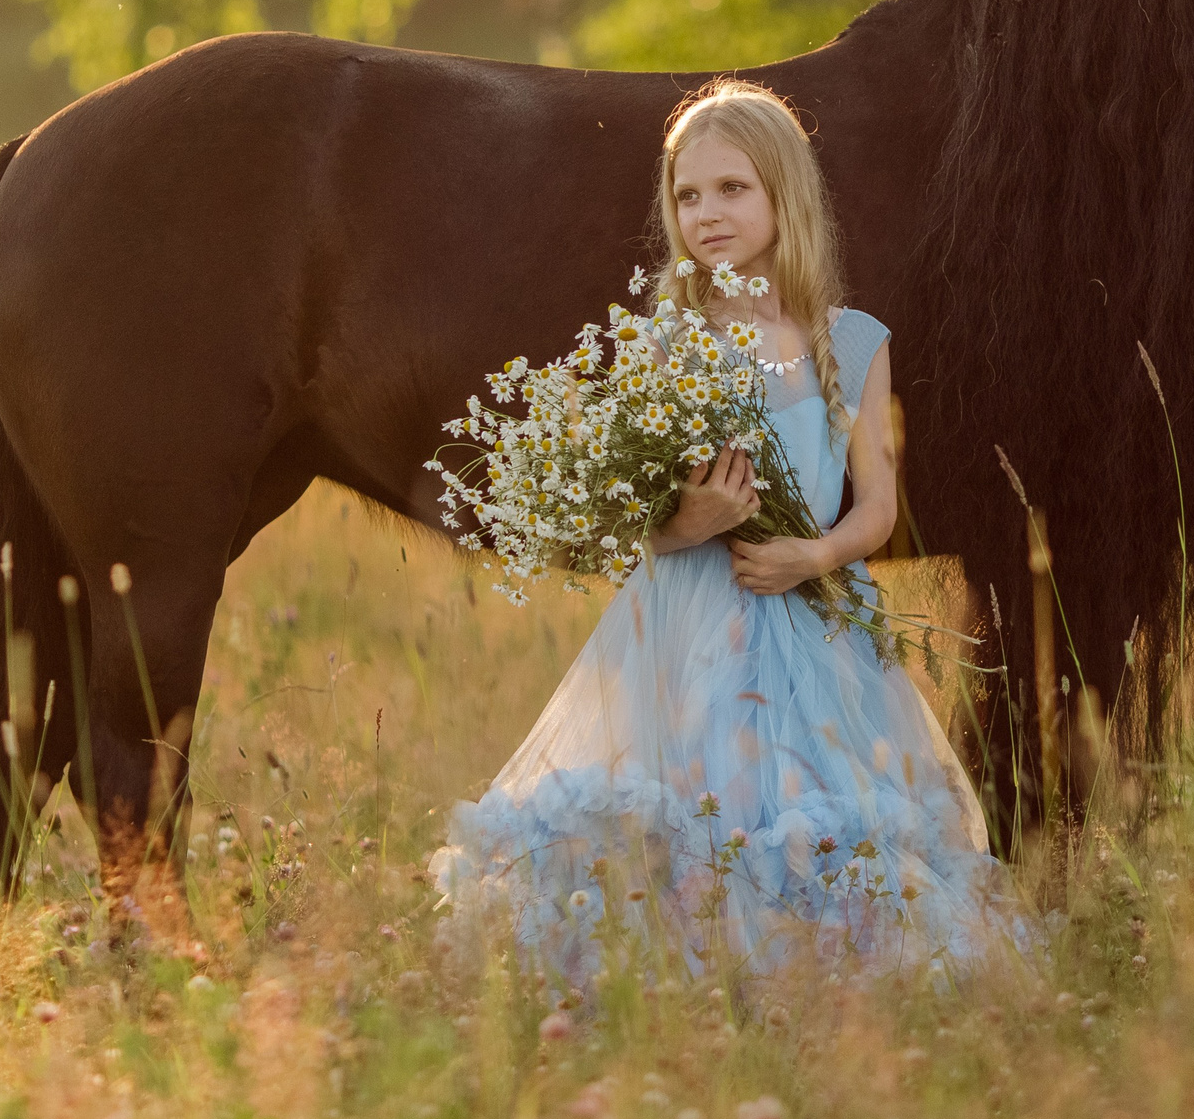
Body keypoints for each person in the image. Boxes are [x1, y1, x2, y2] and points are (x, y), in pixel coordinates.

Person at [428, 79, 1035, 989]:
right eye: (687, 195)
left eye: (732, 189)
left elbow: (876, 507)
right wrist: (691, 519)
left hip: (817, 622)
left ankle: (815, 980)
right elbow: (644, 530)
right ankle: (690, 983)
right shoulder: (674, 340)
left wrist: (812, 553)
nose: (705, 213)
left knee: (807, 810)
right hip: (688, 623)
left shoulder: (854, 342)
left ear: (784, 193)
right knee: (695, 807)